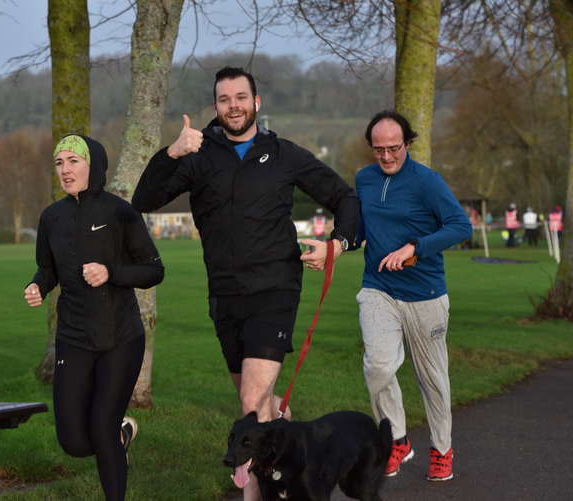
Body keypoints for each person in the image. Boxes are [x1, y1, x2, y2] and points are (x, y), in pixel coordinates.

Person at [131, 66, 358, 501]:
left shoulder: (284, 154)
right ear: (215, 106)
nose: (233, 105)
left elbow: (342, 196)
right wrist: (171, 153)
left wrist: (338, 244)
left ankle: (255, 493)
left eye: (240, 97)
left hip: (275, 290)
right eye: (224, 99)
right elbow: (144, 200)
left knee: (252, 403)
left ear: (257, 103)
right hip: (225, 297)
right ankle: (294, 456)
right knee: (262, 406)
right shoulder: (198, 156)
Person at [23, 134, 164, 501]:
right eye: (59, 163)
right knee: (72, 441)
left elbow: (153, 269)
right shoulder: (51, 217)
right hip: (74, 336)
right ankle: (121, 437)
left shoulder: (120, 212)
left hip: (121, 335)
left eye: (74, 161)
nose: (65, 170)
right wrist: (38, 285)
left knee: (101, 429)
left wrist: (111, 272)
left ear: (93, 165)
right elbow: (47, 268)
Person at [353, 110, 471, 482]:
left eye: (394, 148)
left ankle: (441, 448)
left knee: (432, 378)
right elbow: (358, 229)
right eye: (378, 150)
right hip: (379, 288)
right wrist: (332, 247)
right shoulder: (364, 179)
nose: (386, 157)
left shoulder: (427, 182)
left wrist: (415, 249)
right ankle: (398, 440)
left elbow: (460, 226)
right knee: (378, 367)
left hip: (425, 293)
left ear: (407, 143)